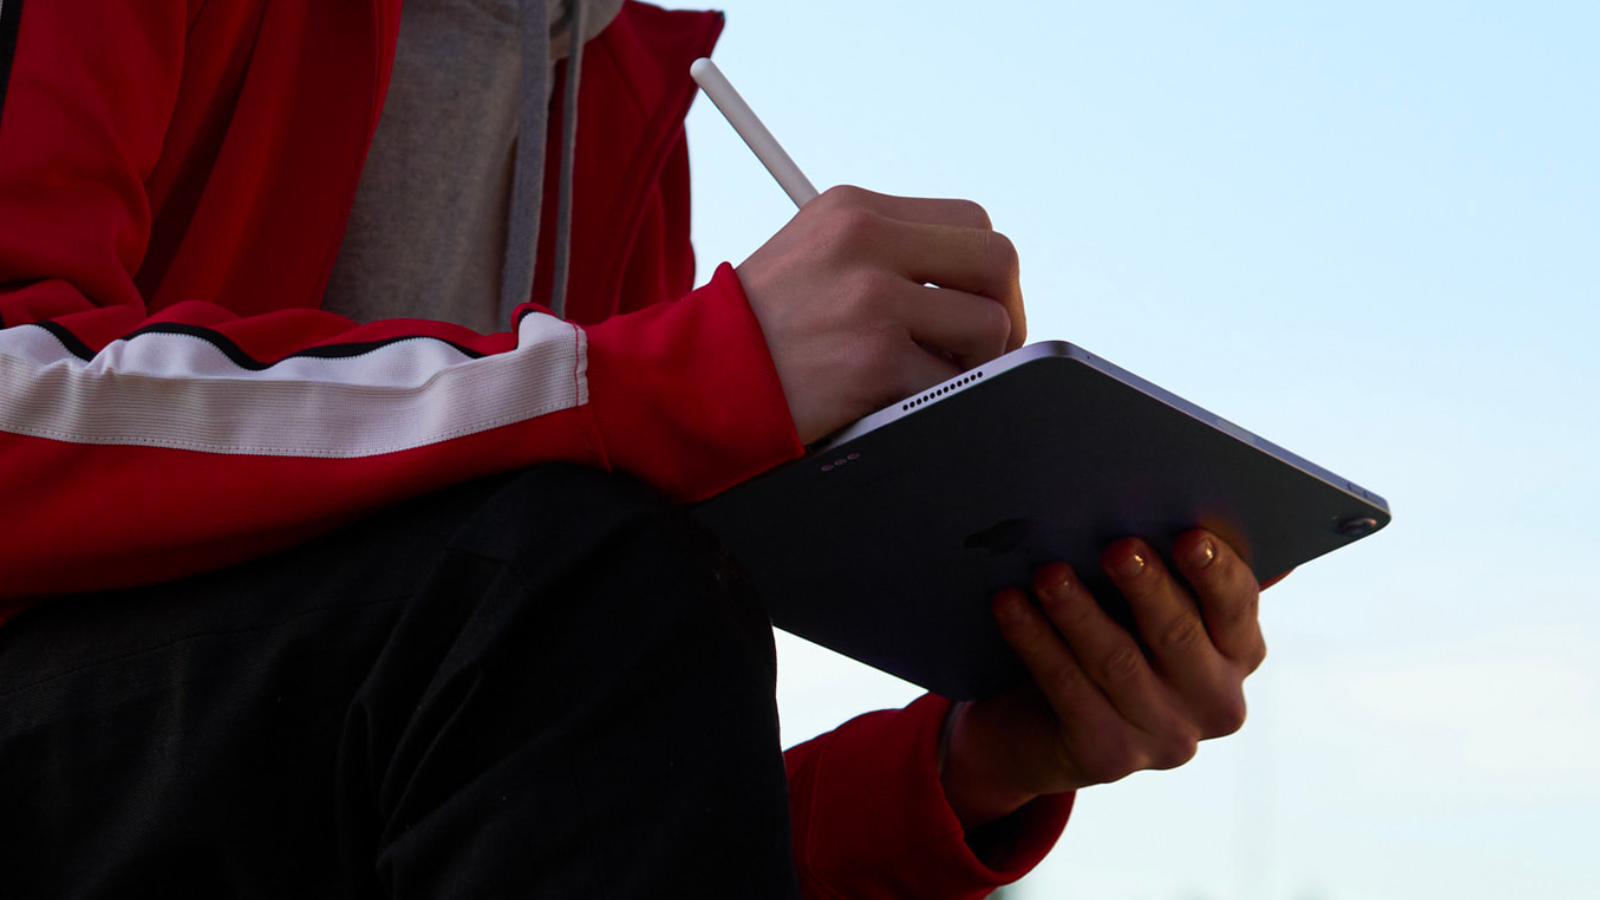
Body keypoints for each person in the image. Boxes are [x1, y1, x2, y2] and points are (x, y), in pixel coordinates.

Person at [0, 1, 1270, 896]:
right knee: (588, 577)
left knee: (629, 584)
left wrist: (955, 771)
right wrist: (670, 376)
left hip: (219, 774)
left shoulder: (623, 97)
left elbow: (572, 796)